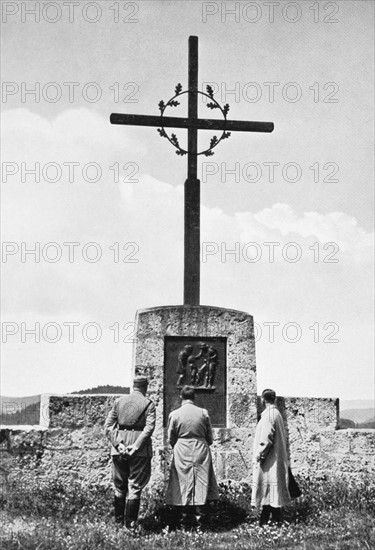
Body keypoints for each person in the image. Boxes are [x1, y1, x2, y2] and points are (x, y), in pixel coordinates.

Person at [104, 376, 155, 528]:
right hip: (139, 452)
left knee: (119, 487)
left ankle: (118, 523)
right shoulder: (148, 404)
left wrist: (118, 444)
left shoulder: (119, 402)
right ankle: (130, 525)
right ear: (145, 387)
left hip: (118, 449)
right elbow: (149, 428)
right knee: (135, 487)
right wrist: (137, 446)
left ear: (133, 386)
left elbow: (108, 426)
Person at [166, 385, 219, 526]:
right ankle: (200, 520)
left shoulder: (175, 414)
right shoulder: (203, 413)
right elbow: (210, 438)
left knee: (182, 483)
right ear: (194, 397)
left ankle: (183, 520)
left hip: (182, 449)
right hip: (201, 449)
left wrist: (177, 446)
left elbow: (171, 438)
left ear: (181, 397)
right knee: (201, 483)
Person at [251, 389, 291, 526]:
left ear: (263, 400)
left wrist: (259, 455)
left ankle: (269, 522)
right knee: (272, 493)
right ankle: (272, 521)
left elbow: (266, 440)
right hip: (275, 458)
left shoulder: (268, 416)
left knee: (268, 491)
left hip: (269, 460)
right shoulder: (277, 414)